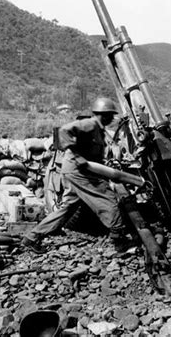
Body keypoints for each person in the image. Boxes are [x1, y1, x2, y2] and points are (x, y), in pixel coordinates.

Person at [22, 97, 135, 254]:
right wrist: (78, 157)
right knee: (108, 199)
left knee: (68, 208)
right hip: (78, 171)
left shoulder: (98, 129)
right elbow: (63, 131)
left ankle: (31, 238)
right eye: (110, 115)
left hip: (74, 171)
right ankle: (119, 240)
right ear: (103, 114)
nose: (111, 118)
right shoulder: (89, 124)